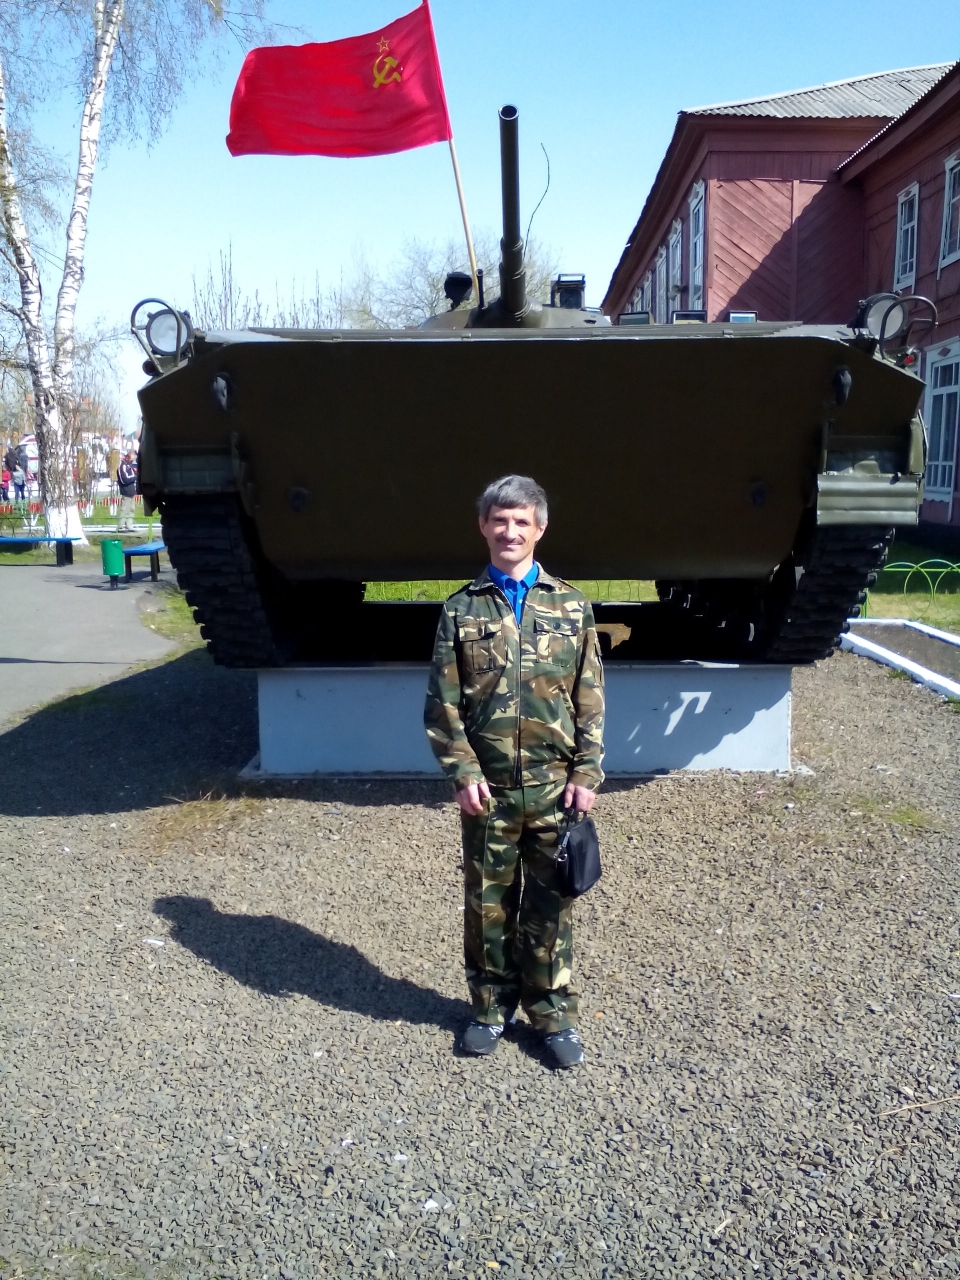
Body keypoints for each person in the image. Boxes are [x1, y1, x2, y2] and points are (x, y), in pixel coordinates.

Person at [424, 474, 605, 1070]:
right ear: (483, 526)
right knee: (488, 906)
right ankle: (489, 1009)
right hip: (490, 791)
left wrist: (586, 773)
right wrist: (462, 771)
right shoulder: (461, 609)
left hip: (556, 789)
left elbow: (590, 698)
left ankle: (553, 1014)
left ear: (540, 529)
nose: (510, 531)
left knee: (551, 906)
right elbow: (443, 704)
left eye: (521, 521)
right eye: (499, 520)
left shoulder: (571, 606)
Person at [116, 448, 138, 533]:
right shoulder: (122, 467)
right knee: (124, 509)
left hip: (131, 491)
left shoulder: (129, 466)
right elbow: (124, 480)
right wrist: (135, 477)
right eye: (131, 459)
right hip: (126, 491)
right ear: (127, 458)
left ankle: (129, 525)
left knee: (131, 509)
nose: (132, 461)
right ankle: (120, 526)